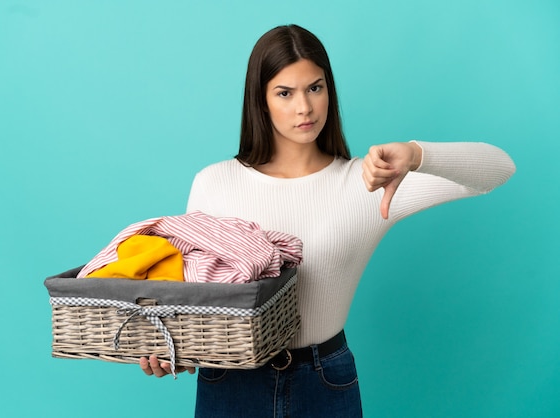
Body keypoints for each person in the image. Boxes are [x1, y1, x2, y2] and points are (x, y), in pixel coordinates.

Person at [139, 24, 516, 417]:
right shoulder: (214, 183)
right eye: (285, 93)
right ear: (260, 100)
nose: (305, 107)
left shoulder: (368, 182)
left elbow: (499, 169)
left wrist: (416, 154)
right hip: (230, 380)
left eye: (315, 88)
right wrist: (173, 351)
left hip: (321, 381)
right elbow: (194, 298)